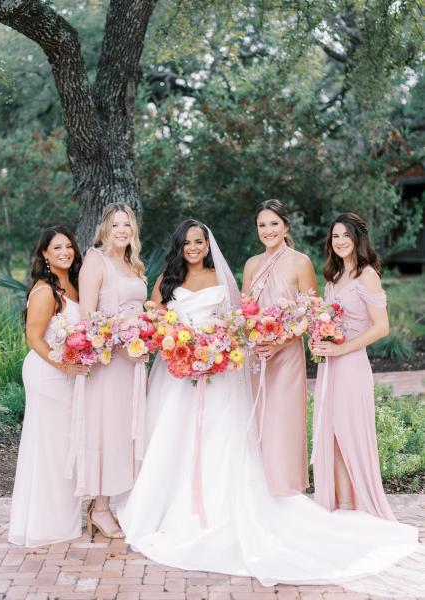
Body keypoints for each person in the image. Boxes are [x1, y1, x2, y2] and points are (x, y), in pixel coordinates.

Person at [116, 219, 418, 590]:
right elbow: (157, 310)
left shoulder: (222, 276)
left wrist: (217, 347)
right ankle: (166, 507)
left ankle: (220, 507)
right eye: (187, 242)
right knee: (172, 437)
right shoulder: (168, 277)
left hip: (218, 370)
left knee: (220, 439)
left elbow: (235, 321)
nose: (193, 247)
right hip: (177, 373)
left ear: (208, 246)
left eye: (199, 241)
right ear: (178, 246)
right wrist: (168, 328)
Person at [69, 202, 147, 540]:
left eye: (126, 225)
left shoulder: (133, 264)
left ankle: (115, 502)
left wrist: (145, 332)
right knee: (106, 430)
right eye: (115, 225)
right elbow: (88, 317)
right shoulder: (95, 260)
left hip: (133, 363)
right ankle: (98, 507)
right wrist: (120, 335)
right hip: (108, 362)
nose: (121, 230)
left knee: (124, 432)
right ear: (105, 228)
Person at [311, 212, 395, 520]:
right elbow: (332, 321)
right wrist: (319, 339)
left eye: (346, 235)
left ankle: (360, 507)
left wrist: (342, 347)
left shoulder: (366, 274)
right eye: (335, 236)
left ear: (358, 239)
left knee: (350, 433)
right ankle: (342, 507)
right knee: (332, 435)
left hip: (351, 365)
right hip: (330, 366)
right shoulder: (334, 277)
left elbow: (382, 326)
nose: (340, 241)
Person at [9, 226, 88, 547]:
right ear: (44, 254)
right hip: (48, 373)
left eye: (69, 246)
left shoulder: (74, 284)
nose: (65, 252)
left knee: (63, 447)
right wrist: (64, 364)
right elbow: (33, 338)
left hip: (68, 373)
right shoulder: (45, 291)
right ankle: (45, 524)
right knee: (48, 448)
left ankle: (62, 519)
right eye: (57, 248)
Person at [242, 199, 317, 495]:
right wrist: (255, 338)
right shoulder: (251, 264)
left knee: (284, 422)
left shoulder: (301, 262)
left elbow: (312, 313)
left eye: (274, 223)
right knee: (259, 419)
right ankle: (261, 491)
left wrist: (279, 342)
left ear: (286, 225)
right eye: (262, 225)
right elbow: (245, 311)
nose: (268, 230)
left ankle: (287, 492)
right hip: (257, 355)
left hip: (286, 357)